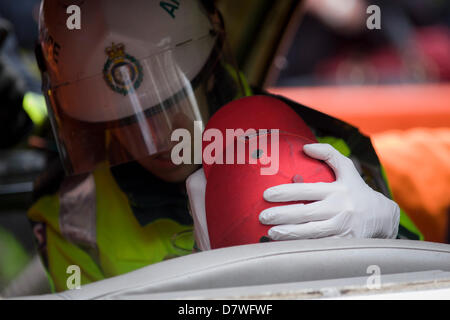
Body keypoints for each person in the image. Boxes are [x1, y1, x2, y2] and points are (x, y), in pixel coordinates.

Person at [29, 0, 422, 292]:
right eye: (124, 119)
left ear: (209, 74)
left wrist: (390, 243)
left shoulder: (330, 148)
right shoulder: (74, 218)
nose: (158, 137)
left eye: (170, 103)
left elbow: (424, 286)